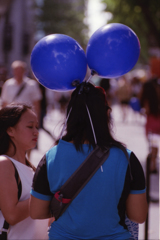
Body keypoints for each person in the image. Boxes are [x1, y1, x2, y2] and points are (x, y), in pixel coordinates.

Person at [30, 82, 148, 240]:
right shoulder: (126, 158)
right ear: (106, 114)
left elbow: (36, 211)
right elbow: (139, 216)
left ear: (69, 115)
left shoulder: (51, 156)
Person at [0, 103, 48, 239]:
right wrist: (45, 195)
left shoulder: (31, 168)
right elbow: (12, 215)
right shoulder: (4, 163)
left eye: (37, 127)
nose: (36, 132)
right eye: (30, 126)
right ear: (10, 131)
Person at [139, 77, 160, 173]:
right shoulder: (158, 94)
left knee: (152, 145)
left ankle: (152, 165)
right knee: (155, 145)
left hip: (151, 123)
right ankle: (153, 164)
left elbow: (146, 111)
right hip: (158, 121)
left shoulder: (147, 99)